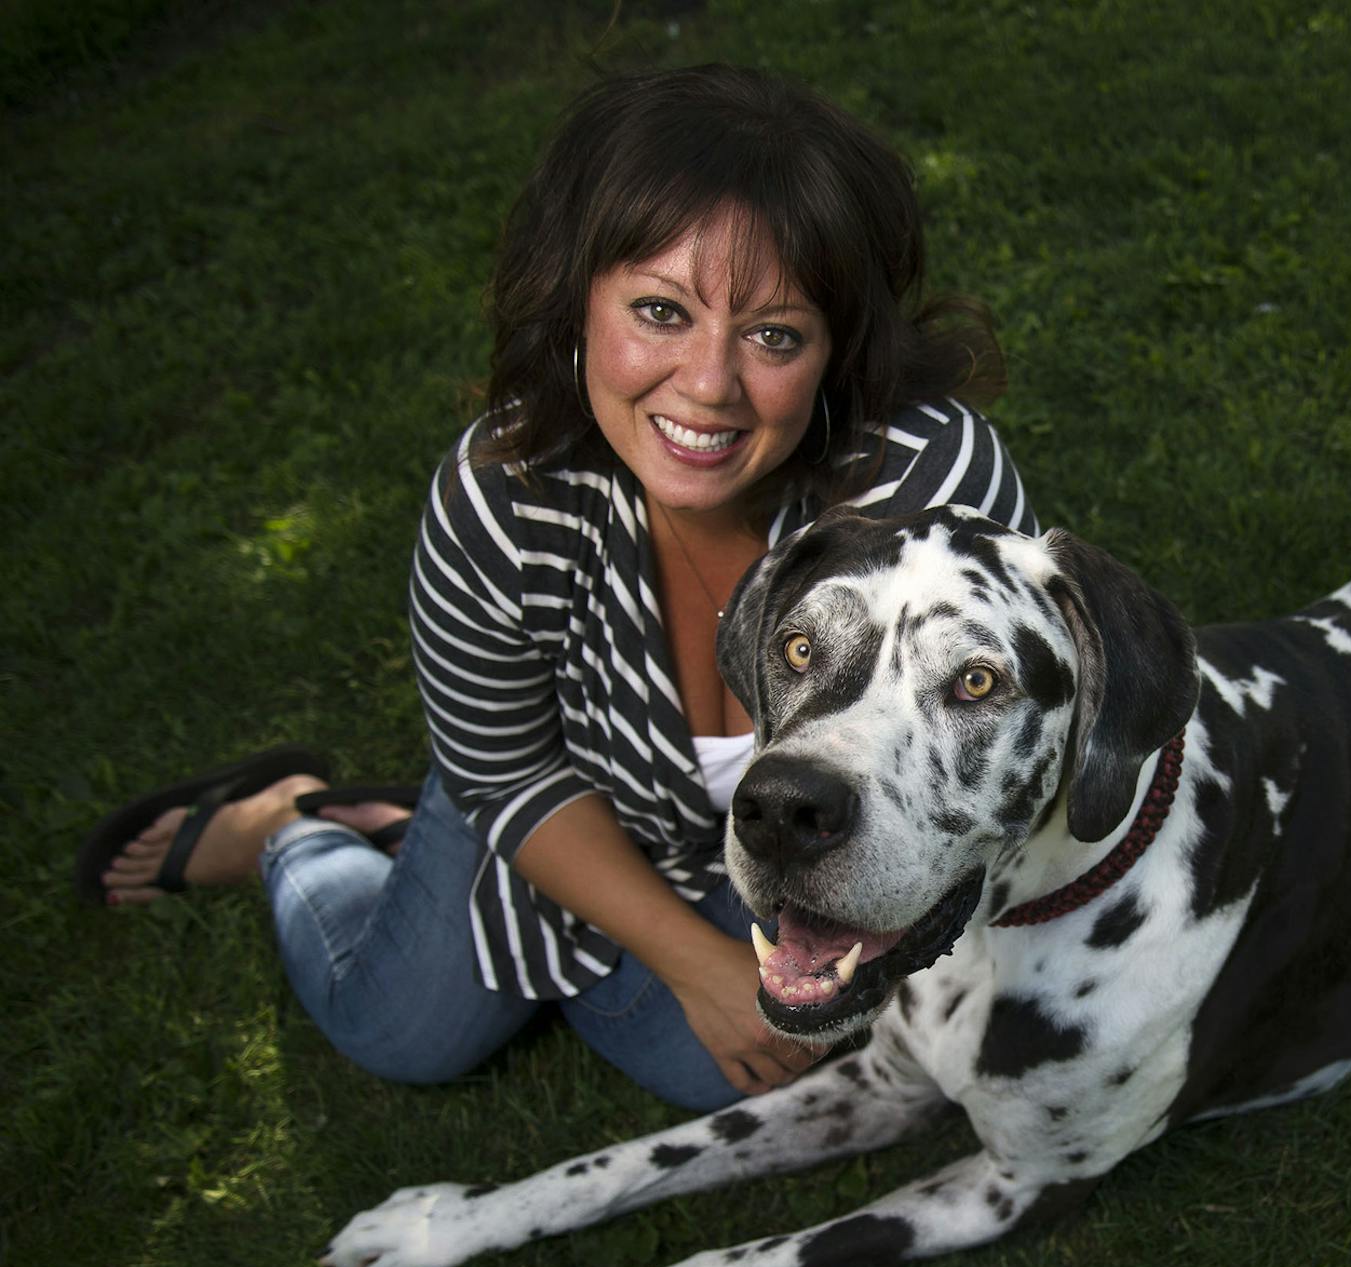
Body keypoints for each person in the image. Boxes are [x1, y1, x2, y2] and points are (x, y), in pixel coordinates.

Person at [77, 63, 1036, 1109]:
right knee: (399, 1032)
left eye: (773, 335)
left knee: (749, 1068)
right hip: (560, 791)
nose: (709, 384)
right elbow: (505, 766)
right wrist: (692, 962)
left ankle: (450, 871)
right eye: (661, 311)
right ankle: (294, 830)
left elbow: (994, 734)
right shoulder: (501, 496)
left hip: (777, 833)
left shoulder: (928, 496)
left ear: (834, 351)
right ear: (577, 297)